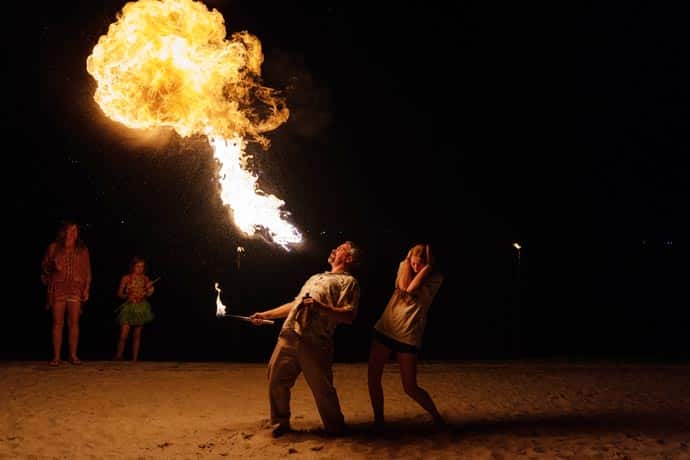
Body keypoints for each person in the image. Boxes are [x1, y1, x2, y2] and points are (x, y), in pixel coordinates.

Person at [249, 241, 361, 438]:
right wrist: (265, 315)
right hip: (290, 333)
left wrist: (321, 307)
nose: (334, 249)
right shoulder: (315, 277)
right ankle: (280, 424)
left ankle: (335, 427)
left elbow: (349, 316)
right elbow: (295, 304)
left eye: (341, 248)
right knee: (276, 379)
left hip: (315, 340)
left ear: (349, 258)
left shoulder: (349, 282)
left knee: (322, 388)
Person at [367, 243, 445, 429]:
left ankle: (436, 417)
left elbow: (410, 290)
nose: (416, 267)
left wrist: (426, 268)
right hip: (386, 327)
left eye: (420, 264)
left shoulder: (436, 278)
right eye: (414, 263)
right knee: (373, 377)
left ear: (429, 264)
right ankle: (379, 421)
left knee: (410, 387)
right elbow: (403, 286)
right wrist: (406, 263)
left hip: (408, 334)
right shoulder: (404, 268)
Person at [41, 220, 92, 366]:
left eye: (76, 230)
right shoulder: (54, 247)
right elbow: (45, 267)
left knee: (74, 323)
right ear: (64, 232)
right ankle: (56, 357)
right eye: (71, 230)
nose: (74, 233)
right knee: (58, 323)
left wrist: (87, 288)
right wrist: (53, 265)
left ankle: (73, 355)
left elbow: (87, 270)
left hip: (76, 287)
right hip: (58, 287)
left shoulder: (82, 249)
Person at [114, 256, 155, 363]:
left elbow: (149, 293)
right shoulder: (126, 278)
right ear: (133, 267)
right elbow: (119, 293)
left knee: (137, 335)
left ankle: (134, 359)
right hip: (129, 307)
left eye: (142, 267)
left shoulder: (146, 278)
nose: (140, 269)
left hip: (141, 307)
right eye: (137, 266)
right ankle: (119, 356)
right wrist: (127, 296)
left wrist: (149, 289)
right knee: (123, 335)